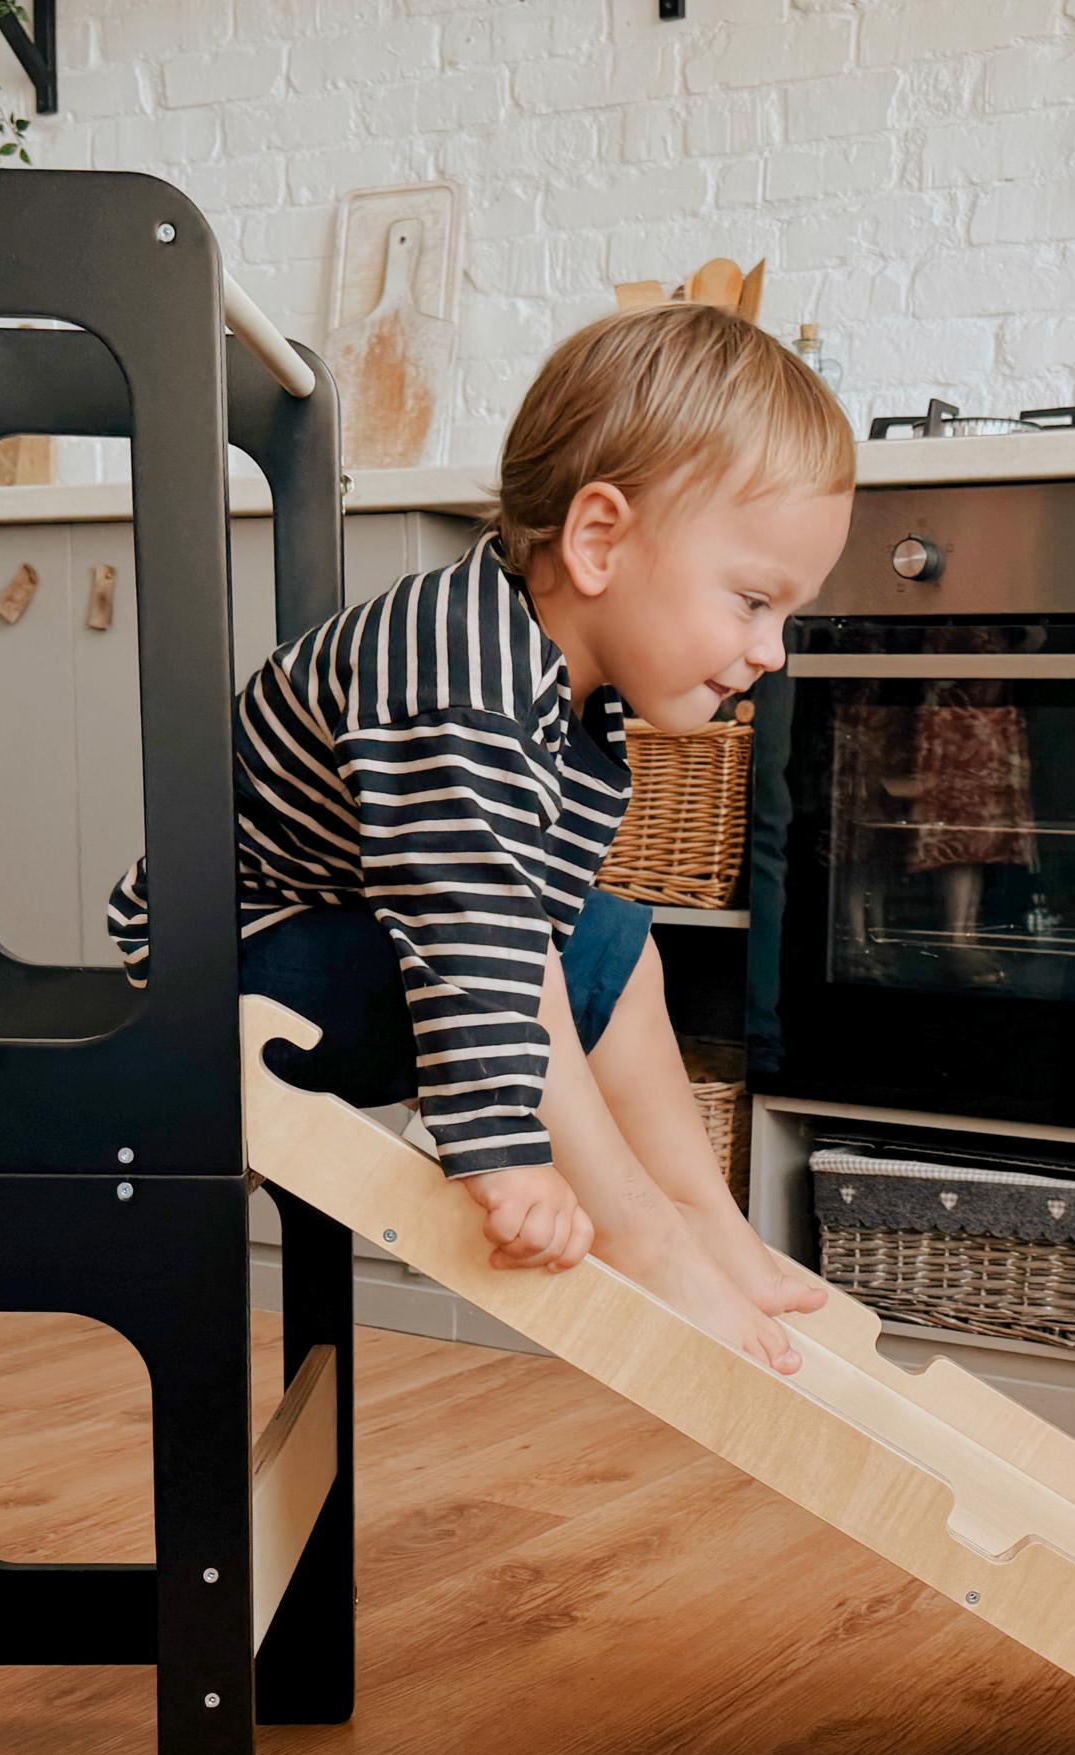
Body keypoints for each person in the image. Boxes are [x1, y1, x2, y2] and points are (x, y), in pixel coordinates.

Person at [107, 301, 855, 1373]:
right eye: (751, 602)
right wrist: (505, 1153)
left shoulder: (548, 671)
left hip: (336, 933)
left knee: (615, 938)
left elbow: (528, 919)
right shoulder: (462, 682)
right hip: (226, 968)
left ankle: (703, 1218)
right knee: (539, 963)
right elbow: (477, 939)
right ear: (598, 541)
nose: (770, 650)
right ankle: (647, 1235)